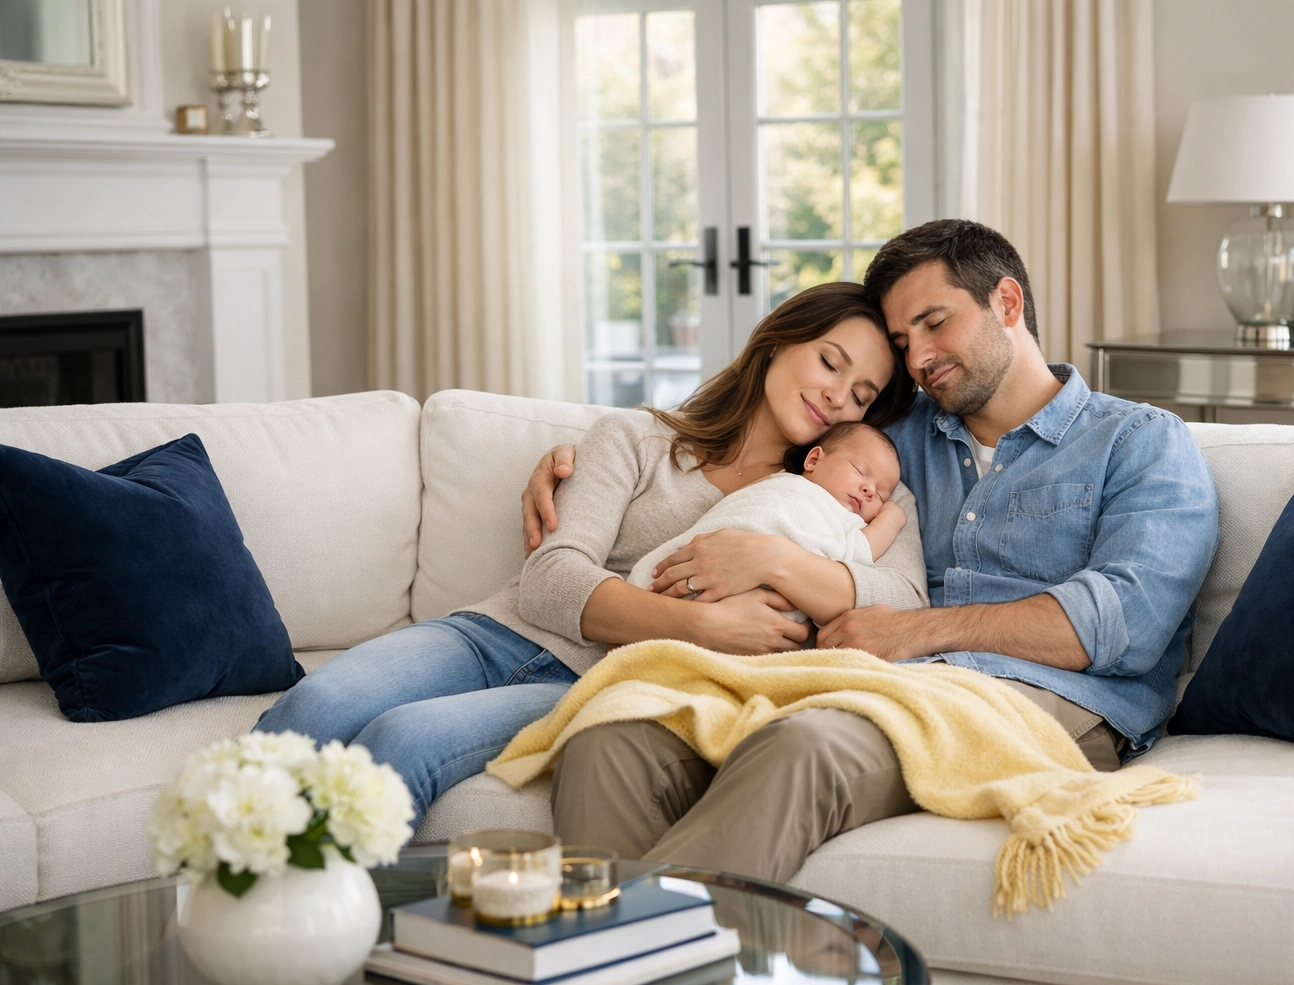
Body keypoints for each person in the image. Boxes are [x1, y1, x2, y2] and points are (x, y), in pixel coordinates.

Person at [523, 219, 1221, 884]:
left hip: (1044, 700)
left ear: (1007, 303)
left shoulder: (1138, 440)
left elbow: (1127, 622)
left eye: (935, 323)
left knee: (804, 749)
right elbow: (759, 435)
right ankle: (615, 956)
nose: (917, 359)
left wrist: (918, 630)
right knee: (611, 740)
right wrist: (576, 459)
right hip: (877, 686)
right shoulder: (898, 435)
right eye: (903, 339)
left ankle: (641, 956)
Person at [254, 281, 926, 826]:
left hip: (593, 684)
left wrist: (773, 561)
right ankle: (225, 907)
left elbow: (902, 602)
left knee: (402, 741)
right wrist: (700, 624)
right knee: (315, 707)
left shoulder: (860, 496)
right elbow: (550, 579)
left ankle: (321, 933)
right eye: (830, 362)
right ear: (777, 342)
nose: (837, 395)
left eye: (861, 395)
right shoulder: (635, 438)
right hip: (492, 634)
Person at [625, 421, 909, 625]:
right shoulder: (778, 482)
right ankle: (643, 624)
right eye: (859, 470)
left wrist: (893, 517)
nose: (869, 490)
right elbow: (732, 510)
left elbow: (865, 549)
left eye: (881, 494)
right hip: (711, 557)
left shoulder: (847, 523)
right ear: (813, 460)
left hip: (759, 608)